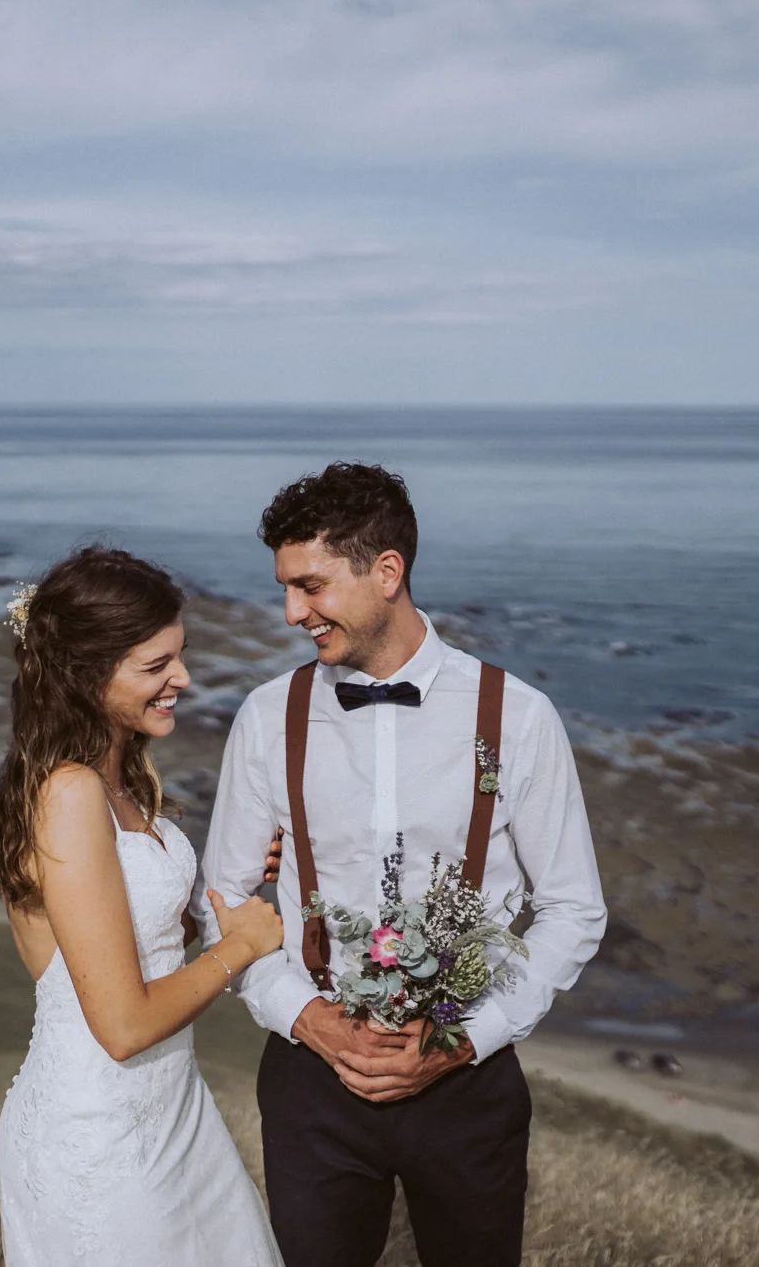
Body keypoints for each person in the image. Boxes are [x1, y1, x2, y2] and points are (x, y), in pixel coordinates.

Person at [199, 463, 608, 1267]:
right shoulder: (265, 716)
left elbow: (572, 908)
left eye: (310, 585)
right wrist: (307, 1018)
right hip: (310, 1082)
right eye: (285, 588)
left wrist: (468, 1036)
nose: (292, 612)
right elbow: (229, 894)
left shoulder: (518, 716)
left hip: (468, 1085)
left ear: (387, 572)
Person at [0, 545, 288, 1265]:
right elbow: (120, 1024)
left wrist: (214, 901)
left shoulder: (118, 777)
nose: (182, 678)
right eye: (156, 667)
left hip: (170, 1109)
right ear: (89, 676)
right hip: (102, 1136)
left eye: (179, 656)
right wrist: (239, 946)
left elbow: (121, 941)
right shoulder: (71, 793)